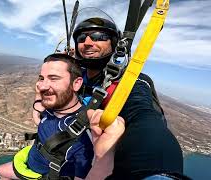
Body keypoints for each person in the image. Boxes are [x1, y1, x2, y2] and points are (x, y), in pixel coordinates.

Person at [71, 16, 185, 179]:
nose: (88, 42)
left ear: (114, 43)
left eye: (98, 36)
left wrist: (155, 175)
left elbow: (143, 117)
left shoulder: (129, 81)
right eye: (82, 38)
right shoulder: (76, 75)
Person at [0, 53, 125, 179]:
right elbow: (38, 119)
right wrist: (38, 95)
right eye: (42, 79)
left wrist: (104, 158)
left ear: (77, 83)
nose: (43, 86)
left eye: (54, 78)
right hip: (32, 159)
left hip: (42, 174)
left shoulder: (82, 137)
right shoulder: (53, 108)